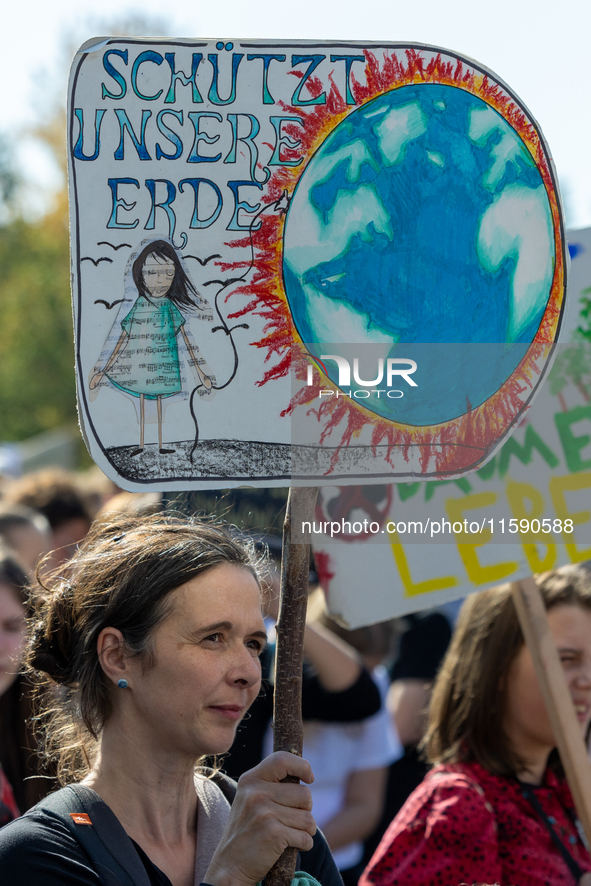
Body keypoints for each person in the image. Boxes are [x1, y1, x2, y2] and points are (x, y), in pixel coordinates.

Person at [0, 514, 342, 886]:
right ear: (117, 656)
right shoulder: (36, 856)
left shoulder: (278, 831)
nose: (248, 671)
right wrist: (232, 876)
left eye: (254, 644)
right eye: (213, 638)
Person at [361, 567, 591, 886]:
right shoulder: (461, 808)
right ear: (496, 668)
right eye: (566, 659)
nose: (587, 680)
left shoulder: (567, 791)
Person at [90, 239, 215, 456]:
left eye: (168, 273)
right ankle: (140, 444)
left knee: (157, 405)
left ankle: (159, 444)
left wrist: (201, 372)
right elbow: (122, 339)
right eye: (153, 273)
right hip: (140, 366)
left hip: (163, 367)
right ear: (141, 274)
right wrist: (103, 370)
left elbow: (186, 340)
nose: (160, 280)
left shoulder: (169, 306)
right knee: (141, 402)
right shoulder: (139, 305)